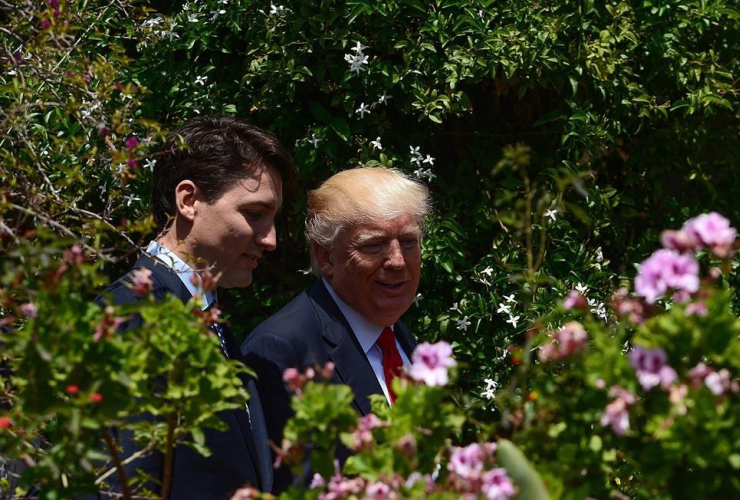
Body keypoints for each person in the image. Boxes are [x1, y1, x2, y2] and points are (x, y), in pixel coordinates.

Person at [100, 115, 295, 499]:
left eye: (273, 219)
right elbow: (119, 487)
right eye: (254, 214)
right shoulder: (133, 318)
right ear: (189, 201)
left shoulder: (203, 315)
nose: (270, 239)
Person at [242, 167, 431, 492]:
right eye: (374, 245)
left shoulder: (397, 335)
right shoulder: (282, 349)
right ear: (325, 256)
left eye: (409, 242)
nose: (398, 261)